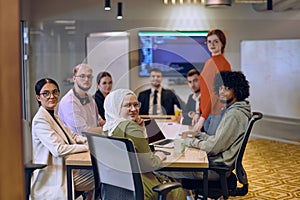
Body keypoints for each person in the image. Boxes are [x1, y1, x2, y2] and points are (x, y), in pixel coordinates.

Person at [163, 71, 251, 182]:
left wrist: (189, 141)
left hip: (214, 169)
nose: (222, 92)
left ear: (237, 89)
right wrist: (198, 135)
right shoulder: (232, 111)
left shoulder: (234, 114)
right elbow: (218, 139)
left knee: (160, 167)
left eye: (227, 88)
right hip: (215, 164)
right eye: (220, 88)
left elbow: (213, 147)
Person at [103, 88, 186, 200]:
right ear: (117, 107)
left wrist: (141, 130)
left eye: (136, 104)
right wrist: (159, 156)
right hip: (140, 188)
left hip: (116, 189)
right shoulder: (130, 127)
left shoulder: (107, 128)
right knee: (177, 190)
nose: (134, 109)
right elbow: (149, 164)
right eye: (128, 105)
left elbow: (138, 152)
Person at [30, 78, 94, 200]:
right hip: (55, 176)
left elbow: (73, 136)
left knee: (103, 173)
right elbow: (58, 149)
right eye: (46, 93)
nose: (51, 96)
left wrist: (90, 142)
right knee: (104, 175)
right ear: (38, 97)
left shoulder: (53, 116)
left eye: (55, 92)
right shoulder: (40, 120)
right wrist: (87, 147)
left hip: (68, 169)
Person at [193, 29, 231, 132]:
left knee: (211, 146)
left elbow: (217, 93)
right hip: (206, 112)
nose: (212, 44)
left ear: (222, 43)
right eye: (209, 41)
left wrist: (203, 117)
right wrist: (198, 112)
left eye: (216, 41)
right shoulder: (208, 62)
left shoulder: (224, 64)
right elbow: (204, 91)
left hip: (216, 113)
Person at [58, 63, 102, 135]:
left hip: (92, 142)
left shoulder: (89, 98)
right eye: (82, 76)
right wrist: (106, 130)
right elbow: (82, 132)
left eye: (89, 76)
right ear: (74, 79)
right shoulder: (69, 102)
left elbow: (99, 121)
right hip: (77, 144)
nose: (86, 79)